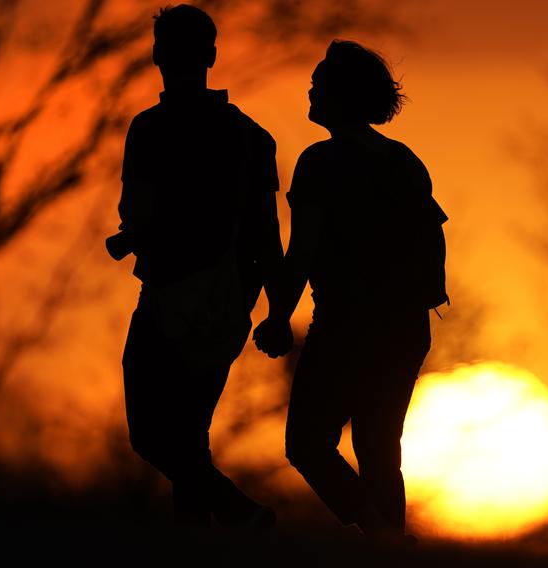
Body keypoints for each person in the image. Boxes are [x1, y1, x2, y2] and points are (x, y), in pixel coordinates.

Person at [254, 40, 448, 543]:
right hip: (406, 328)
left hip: (346, 325)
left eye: (320, 82)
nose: (311, 89)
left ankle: (379, 534)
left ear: (343, 95)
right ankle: (390, 544)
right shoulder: (405, 161)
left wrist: (278, 316)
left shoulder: (321, 163)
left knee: (307, 443)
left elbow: (303, 253)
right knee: (380, 448)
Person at [107, 4, 282, 527]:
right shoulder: (253, 135)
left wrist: (137, 236)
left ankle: (241, 513)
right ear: (210, 55)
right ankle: (219, 532)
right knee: (187, 436)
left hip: (164, 296)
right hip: (230, 301)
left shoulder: (149, 129)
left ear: (158, 55)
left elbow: (134, 214)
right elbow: (267, 234)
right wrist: (275, 311)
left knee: (153, 435)